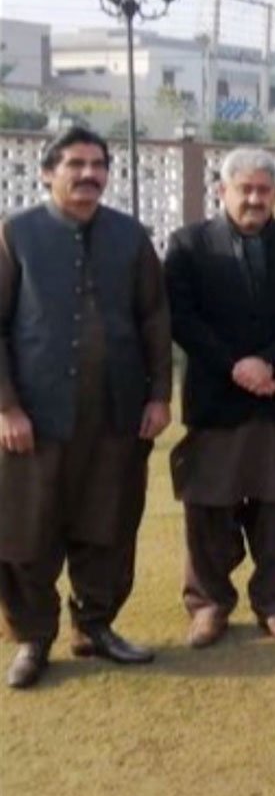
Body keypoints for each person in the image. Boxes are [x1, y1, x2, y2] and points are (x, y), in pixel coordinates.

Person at [0, 127, 172, 689]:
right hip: (34, 419)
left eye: (98, 165)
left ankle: (95, 626)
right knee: (26, 531)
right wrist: (7, 408)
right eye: (75, 164)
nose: (88, 174)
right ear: (48, 172)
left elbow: (154, 319)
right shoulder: (16, 234)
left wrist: (159, 395)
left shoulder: (130, 236)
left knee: (109, 526)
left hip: (116, 415)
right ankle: (33, 637)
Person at [163, 147, 275, 648]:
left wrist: (269, 363)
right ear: (222, 190)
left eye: (263, 190)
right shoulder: (189, 244)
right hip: (217, 397)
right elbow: (182, 317)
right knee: (207, 504)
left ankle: (273, 601)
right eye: (245, 189)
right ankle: (208, 603)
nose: (254, 199)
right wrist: (236, 366)